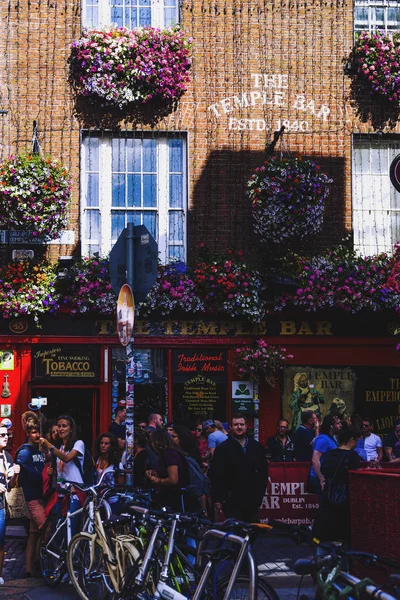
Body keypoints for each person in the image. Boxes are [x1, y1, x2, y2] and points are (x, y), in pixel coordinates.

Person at [210, 414, 268, 522]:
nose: (239, 427)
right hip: (231, 499)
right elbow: (216, 475)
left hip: (252, 499)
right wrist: (217, 499)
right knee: (235, 533)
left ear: (246, 426)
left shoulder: (256, 447)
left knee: (252, 531)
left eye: (242, 424)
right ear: (230, 427)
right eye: (236, 425)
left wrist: (259, 495)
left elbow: (263, 473)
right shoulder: (223, 449)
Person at [312, 426, 361, 544]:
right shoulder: (353, 457)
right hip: (345, 501)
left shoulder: (330, 454)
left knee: (324, 538)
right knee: (344, 539)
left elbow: (323, 469)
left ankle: (322, 559)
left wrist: (323, 481)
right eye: (356, 440)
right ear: (351, 440)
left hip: (328, 498)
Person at [39, 415, 85, 523]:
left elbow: (66, 458)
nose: (60, 429)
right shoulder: (59, 447)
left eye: (64, 426)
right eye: (59, 426)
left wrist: (49, 445)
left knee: (71, 526)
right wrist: (53, 471)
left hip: (75, 492)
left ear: (71, 429)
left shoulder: (78, 444)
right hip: (60, 492)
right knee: (58, 526)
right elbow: (55, 464)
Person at [16, 421, 46, 577]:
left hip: (40, 495)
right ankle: (40, 562)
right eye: (34, 432)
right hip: (31, 496)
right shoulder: (25, 452)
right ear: (28, 433)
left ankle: (30, 568)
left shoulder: (40, 451)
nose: (38, 435)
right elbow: (31, 475)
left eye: (39, 432)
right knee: (45, 528)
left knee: (34, 533)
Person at [145, 429, 189, 512]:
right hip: (170, 496)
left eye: (153, 442)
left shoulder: (169, 454)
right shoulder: (167, 454)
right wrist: (155, 472)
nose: (152, 444)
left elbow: (173, 479)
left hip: (174, 497)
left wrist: (158, 480)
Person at [0, 423, 20, 585]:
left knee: (1, 541)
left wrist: (15, 475)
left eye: (7, 435)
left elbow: (11, 485)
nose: (5, 437)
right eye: (2, 435)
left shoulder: (8, 457)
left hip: (1, 506)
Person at [171, 424, 207, 511]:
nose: (171, 439)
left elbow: (198, 484)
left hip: (188, 501)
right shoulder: (181, 454)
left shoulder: (186, 457)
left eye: (174, 436)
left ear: (182, 438)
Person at [309, 415, 341, 496]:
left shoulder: (332, 437)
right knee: (325, 504)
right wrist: (322, 479)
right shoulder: (322, 439)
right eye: (338, 423)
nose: (340, 425)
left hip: (328, 476)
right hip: (320, 477)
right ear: (331, 426)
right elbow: (315, 460)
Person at [93, 432, 120, 512]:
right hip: (98, 500)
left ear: (111, 446)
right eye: (101, 443)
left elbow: (120, 485)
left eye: (106, 443)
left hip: (112, 501)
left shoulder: (117, 464)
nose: (103, 446)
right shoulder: (96, 460)